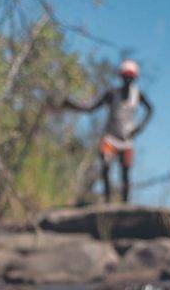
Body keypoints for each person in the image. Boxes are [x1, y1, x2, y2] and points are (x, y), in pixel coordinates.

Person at [62, 59, 154, 203]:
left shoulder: (138, 96)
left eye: (131, 77)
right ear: (121, 77)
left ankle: (125, 206)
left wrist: (139, 128)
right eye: (125, 77)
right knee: (105, 166)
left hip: (127, 141)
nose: (128, 80)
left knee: (125, 173)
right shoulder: (112, 94)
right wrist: (72, 105)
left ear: (135, 79)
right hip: (110, 138)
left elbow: (150, 110)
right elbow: (91, 108)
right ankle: (108, 201)